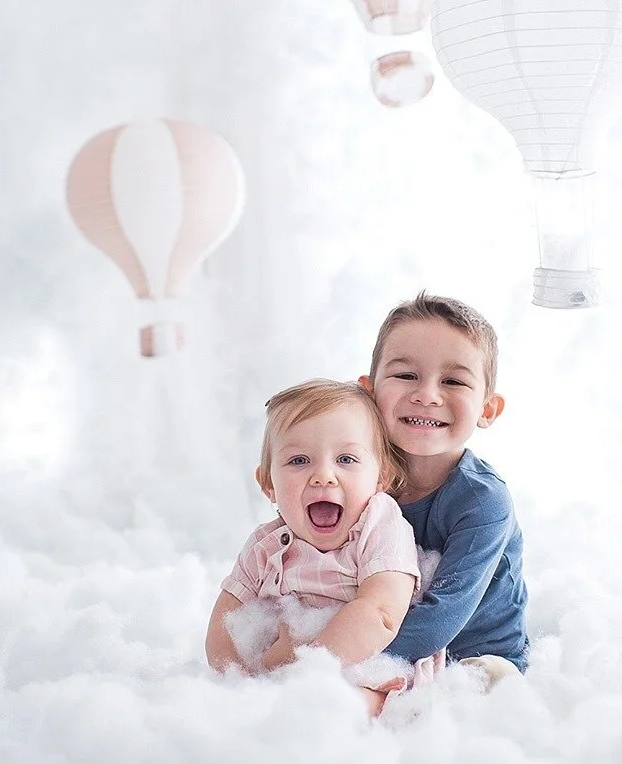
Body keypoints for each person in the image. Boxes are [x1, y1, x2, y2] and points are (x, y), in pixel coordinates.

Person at [204, 378, 441, 717]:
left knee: (345, 707)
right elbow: (224, 620)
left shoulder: (379, 525)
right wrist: (237, 680)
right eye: (299, 461)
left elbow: (381, 614)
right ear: (269, 484)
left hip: (370, 661)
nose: (323, 476)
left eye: (346, 459)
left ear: (381, 478)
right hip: (282, 671)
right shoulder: (265, 546)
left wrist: (301, 668)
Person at [357, 292, 530, 686]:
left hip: (469, 650)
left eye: (452, 381)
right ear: (369, 392)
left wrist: (334, 655)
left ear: (487, 410)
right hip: (379, 637)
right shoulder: (356, 478)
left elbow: (441, 618)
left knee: (486, 681)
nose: (427, 395)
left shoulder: (482, 501)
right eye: (405, 375)